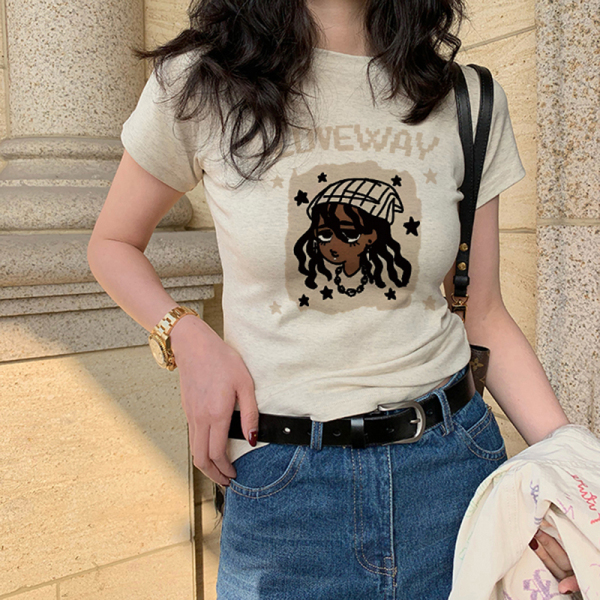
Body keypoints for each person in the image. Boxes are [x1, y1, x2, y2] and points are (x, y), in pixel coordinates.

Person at [87, 0, 581, 597]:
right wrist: (185, 335)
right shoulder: (202, 81)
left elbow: (485, 314)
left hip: (456, 474)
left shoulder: (465, 99)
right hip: (282, 488)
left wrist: (575, 480)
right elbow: (112, 244)